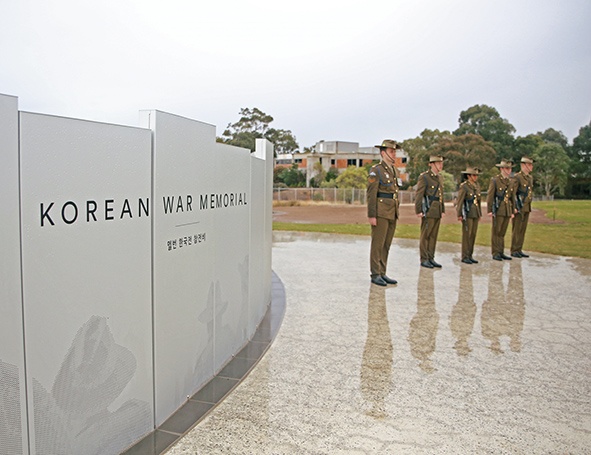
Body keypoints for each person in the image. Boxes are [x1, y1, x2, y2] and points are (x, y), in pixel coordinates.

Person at [367, 139, 401, 286]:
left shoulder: (393, 170)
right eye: (391, 151)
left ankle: (382, 272)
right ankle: (375, 274)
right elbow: (371, 194)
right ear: (383, 153)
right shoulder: (376, 170)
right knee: (378, 244)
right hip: (380, 212)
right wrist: (372, 215)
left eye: (395, 151)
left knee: (386, 244)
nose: (394, 154)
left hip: (392, 211)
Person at [415, 155, 445, 268]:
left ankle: (431, 257)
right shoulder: (425, 177)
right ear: (431, 164)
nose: (441, 165)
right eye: (438, 163)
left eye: (441, 163)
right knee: (426, 235)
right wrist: (418, 210)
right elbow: (419, 194)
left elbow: (441, 195)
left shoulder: (440, 177)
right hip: (428, 209)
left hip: (436, 210)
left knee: (433, 235)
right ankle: (424, 258)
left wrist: (442, 209)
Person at [487, 159, 515, 261]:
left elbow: (512, 197)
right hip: (498, 209)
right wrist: (490, 210)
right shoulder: (495, 180)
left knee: (502, 232)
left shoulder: (510, 181)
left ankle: (501, 251)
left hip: (507, 209)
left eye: (510, 168)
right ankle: (495, 252)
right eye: (507, 168)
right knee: (496, 232)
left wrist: (512, 210)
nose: (509, 170)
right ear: (501, 169)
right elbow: (490, 196)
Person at [456, 167, 482, 264]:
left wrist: (479, 214)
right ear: (468, 176)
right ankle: (465, 255)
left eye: (476, 175)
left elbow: (478, 201)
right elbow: (460, 201)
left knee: (473, 235)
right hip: (467, 213)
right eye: (474, 175)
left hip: (475, 213)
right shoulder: (464, 186)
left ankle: (470, 255)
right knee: (467, 235)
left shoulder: (477, 186)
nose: (475, 177)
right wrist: (459, 214)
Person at [511, 156, 534, 258]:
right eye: (529, 165)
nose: (531, 167)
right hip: (519, 207)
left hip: (526, 206)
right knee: (517, 229)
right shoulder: (517, 177)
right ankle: (514, 249)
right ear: (523, 165)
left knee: (522, 229)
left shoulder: (529, 178)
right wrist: (514, 207)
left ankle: (519, 248)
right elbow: (513, 193)